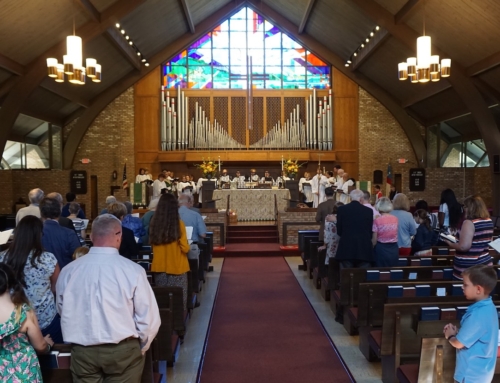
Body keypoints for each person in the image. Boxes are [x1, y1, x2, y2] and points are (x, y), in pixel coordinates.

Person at [56, 214, 160, 382]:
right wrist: (141, 347)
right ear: (119, 235)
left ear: (91, 237)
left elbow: (62, 308)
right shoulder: (133, 270)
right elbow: (148, 318)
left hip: (83, 350)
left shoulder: (69, 270)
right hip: (123, 349)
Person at [0, 215, 63, 343]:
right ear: (38, 235)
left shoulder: (2, 258)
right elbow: (56, 287)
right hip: (46, 320)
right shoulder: (47, 258)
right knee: (53, 359)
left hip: (14, 321)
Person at [443, 265, 498, 383]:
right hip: (482, 373)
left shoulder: (478, 314)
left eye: (465, 285)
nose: (462, 287)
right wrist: (459, 332)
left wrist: (450, 336)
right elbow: (479, 335)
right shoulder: (490, 307)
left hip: (470, 374)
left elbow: (459, 344)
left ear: (478, 289)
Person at [0, 263, 54, 383]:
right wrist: (47, 344)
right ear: (10, 283)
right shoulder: (22, 312)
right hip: (25, 374)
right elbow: (40, 346)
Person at [443, 195, 493, 280]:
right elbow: (488, 240)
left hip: (470, 267)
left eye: (465, 206)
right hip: (484, 263)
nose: (464, 209)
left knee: (463, 291)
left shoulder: (469, 223)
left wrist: (448, 242)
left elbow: (463, 247)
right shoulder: (488, 220)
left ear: (471, 208)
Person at [335, 189, 373, 269]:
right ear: (361, 199)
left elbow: (339, 231)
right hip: (364, 248)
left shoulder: (342, 209)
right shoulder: (369, 211)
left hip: (346, 248)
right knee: (362, 277)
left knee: (346, 276)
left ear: (350, 198)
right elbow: (370, 231)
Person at [40, 197, 80, 269]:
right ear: (60, 211)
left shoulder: (35, 233)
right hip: (65, 274)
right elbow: (78, 256)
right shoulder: (69, 233)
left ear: (41, 213)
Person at [372, 198, 399, 267]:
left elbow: (374, 240)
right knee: (393, 270)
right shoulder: (395, 218)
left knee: (382, 271)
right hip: (394, 248)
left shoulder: (377, 220)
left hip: (381, 248)